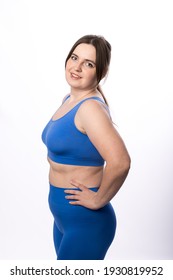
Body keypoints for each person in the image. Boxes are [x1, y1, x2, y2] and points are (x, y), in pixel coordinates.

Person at [42, 34, 131, 260]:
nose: (77, 67)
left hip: (86, 223)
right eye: (74, 58)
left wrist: (97, 199)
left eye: (88, 64)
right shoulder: (69, 100)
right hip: (64, 219)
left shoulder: (90, 109)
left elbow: (121, 162)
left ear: (100, 73)